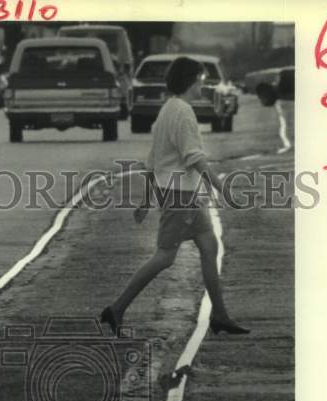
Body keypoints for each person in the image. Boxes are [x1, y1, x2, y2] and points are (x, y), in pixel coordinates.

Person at [101, 56, 249, 336]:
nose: (202, 86)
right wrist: (222, 188)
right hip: (180, 194)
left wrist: (146, 200)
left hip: (184, 193)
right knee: (165, 257)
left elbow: (154, 160)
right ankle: (117, 308)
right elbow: (194, 157)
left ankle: (219, 315)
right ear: (190, 81)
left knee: (209, 247)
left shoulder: (169, 109)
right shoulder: (182, 112)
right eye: (201, 81)